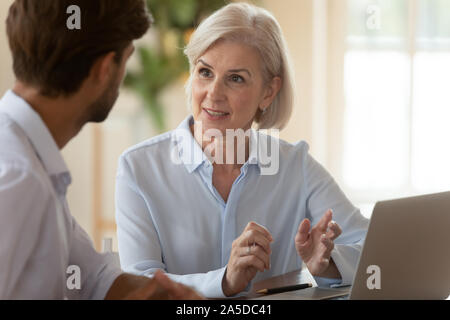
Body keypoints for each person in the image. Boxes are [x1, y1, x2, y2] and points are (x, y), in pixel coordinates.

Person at [115, 3, 369, 298]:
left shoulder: (294, 165)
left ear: (268, 92)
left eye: (236, 78)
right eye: (205, 72)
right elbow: (139, 287)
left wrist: (326, 265)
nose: (213, 94)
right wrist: (224, 281)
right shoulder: (139, 167)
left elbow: (374, 248)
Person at [0, 0, 201, 300]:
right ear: (105, 69)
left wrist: (166, 293)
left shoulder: (35, 161)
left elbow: (92, 276)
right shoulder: (19, 176)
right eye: (126, 60)